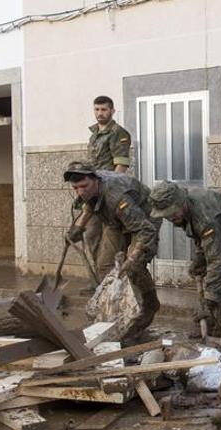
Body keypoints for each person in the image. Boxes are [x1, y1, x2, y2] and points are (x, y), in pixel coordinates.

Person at [63, 161, 160, 345]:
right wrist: (78, 227)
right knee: (105, 266)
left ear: (95, 180)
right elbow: (89, 205)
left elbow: (144, 230)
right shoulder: (89, 189)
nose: (80, 191)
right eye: (76, 188)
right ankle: (114, 315)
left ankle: (148, 307)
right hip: (114, 219)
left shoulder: (118, 197)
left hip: (145, 219)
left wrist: (132, 257)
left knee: (133, 268)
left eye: (84, 186)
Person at [148, 182, 221, 336]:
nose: (171, 218)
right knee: (213, 277)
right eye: (167, 215)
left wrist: (209, 300)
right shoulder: (184, 211)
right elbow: (200, 236)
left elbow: (215, 259)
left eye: (173, 213)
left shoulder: (205, 216)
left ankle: (220, 329)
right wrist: (199, 260)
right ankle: (209, 323)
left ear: (182, 202)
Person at [80, 96, 133, 293]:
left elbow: (120, 166)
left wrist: (110, 191)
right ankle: (97, 281)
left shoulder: (119, 133)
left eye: (104, 109)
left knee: (112, 241)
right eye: (97, 109)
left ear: (112, 110)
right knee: (92, 235)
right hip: (93, 194)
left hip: (108, 196)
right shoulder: (94, 135)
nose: (100, 113)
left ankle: (113, 282)